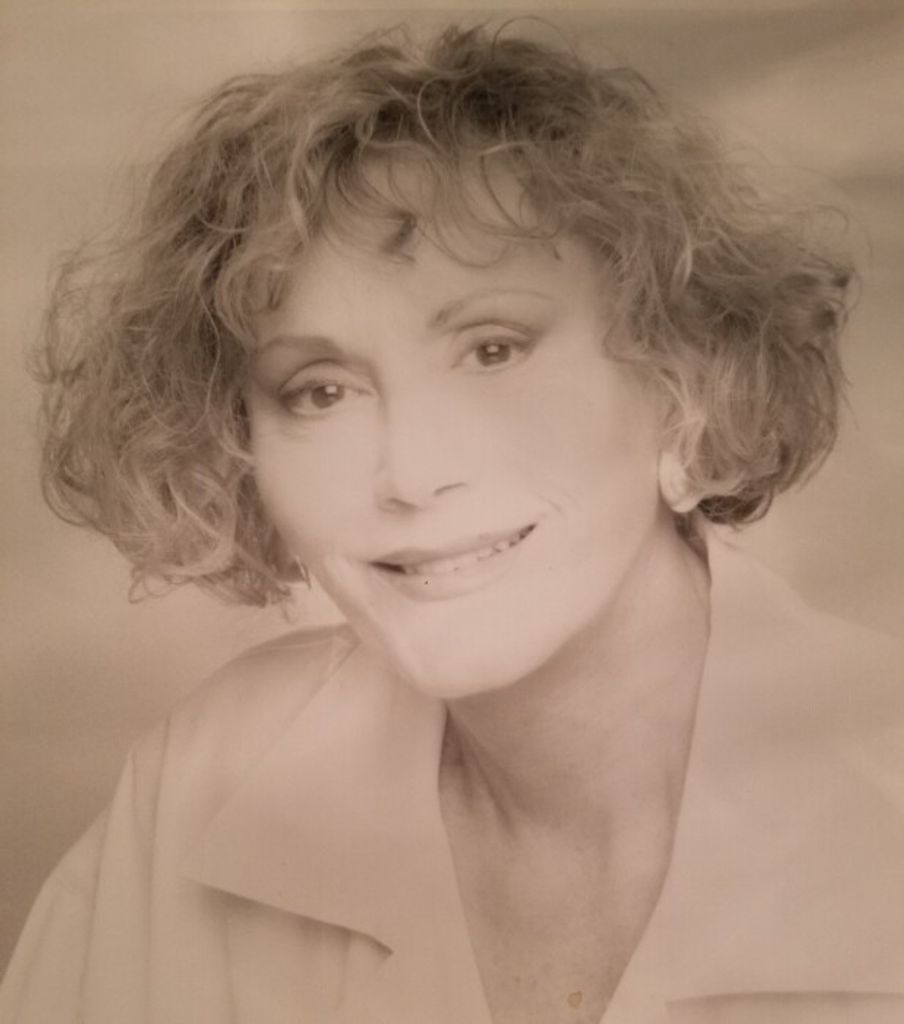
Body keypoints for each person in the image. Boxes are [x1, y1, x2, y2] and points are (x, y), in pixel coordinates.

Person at [2, 21, 903, 1024]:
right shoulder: (209, 776)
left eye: (493, 349)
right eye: (320, 390)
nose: (411, 473)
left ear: (684, 385)